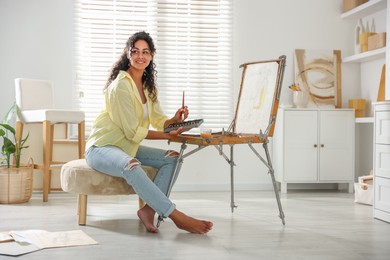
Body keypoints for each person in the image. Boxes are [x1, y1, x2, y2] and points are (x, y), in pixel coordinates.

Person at [85, 31, 213, 234]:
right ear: (128, 54)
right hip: (102, 148)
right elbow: (133, 131)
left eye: (145, 52)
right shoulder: (120, 86)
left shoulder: (148, 86)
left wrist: (175, 120)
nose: (140, 56)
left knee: (173, 158)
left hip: (127, 147)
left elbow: (159, 121)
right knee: (131, 165)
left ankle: (148, 210)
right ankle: (176, 216)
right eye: (135, 51)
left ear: (152, 55)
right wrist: (167, 136)